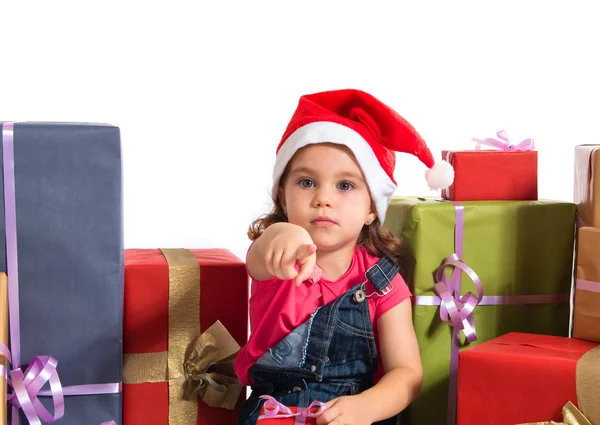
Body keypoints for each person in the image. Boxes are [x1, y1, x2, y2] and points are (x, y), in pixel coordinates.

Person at [234, 89, 454, 425]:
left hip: (354, 414)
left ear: (371, 209)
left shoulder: (383, 283)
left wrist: (367, 407)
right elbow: (264, 253)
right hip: (275, 413)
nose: (323, 198)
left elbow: (406, 373)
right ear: (283, 195)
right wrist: (283, 234)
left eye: (345, 186)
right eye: (306, 182)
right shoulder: (276, 260)